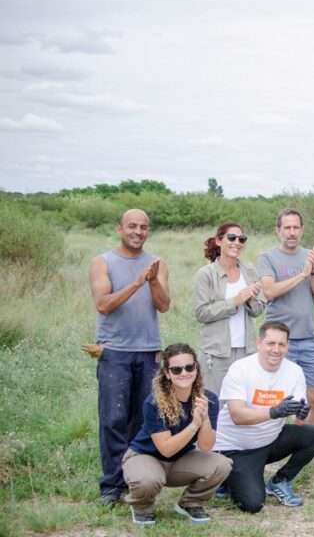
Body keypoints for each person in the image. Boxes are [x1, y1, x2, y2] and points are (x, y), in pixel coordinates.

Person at [90, 208, 171, 505]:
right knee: (113, 419)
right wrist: (137, 282)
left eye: (144, 227)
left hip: (149, 350)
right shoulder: (102, 262)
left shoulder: (157, 263)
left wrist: (152, 281)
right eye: (132, 226)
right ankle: (111, 486)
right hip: (115, 352)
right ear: (120, 228)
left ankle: (137, 481)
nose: (138, 232)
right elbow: (103, 304)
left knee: (143, 419)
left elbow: (163, 306)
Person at [214, 322, 314, 513]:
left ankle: (280, 480)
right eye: (270, 343)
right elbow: (237, 416)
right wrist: (274, 411)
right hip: (236, 449)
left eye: (281, 344)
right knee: (253, 504)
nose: (276, 350)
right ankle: (227, 477)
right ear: (259, 343)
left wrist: (301, 414)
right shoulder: (240, 368)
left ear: (288, 346)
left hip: (268, 441)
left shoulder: (294, 371)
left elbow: (298, 422)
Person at [121, 343, 231, 525]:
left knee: (222, 465)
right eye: (176, 370)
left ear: (196, 367)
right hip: (145, 456)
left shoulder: (208, 399)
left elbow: (206, 447)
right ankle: (142, 506)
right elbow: (166, 450)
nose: (184, 373)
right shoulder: (154, 402)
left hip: (180, 459)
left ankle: (190, 503)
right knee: (148, 479)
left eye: (189, 367)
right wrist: (194, 424)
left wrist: (204, 419)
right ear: (167, 373)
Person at [256, 209, 314, 425]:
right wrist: (302, 274)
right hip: (278, 341)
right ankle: (268, 443)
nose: (292, 232)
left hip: (307, 338)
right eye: (287, 227)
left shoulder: (309, 257)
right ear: (278, 230)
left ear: (302, 230)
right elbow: (269, 291)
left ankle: (307, 444)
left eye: (296, 227)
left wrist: (313, 271)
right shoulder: (267, 258)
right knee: (276, 395)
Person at [194, 222, 266, 397]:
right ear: (219, 241)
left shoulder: (249, 270)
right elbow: (201, 313)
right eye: (231, 238)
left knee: (244, 400)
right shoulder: (206, 274)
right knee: (215, 403)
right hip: (217, 352)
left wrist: (249, 300)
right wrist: (235, 301)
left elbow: (258, 310)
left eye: (241, 239)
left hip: (246, 350)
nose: (237, 243)